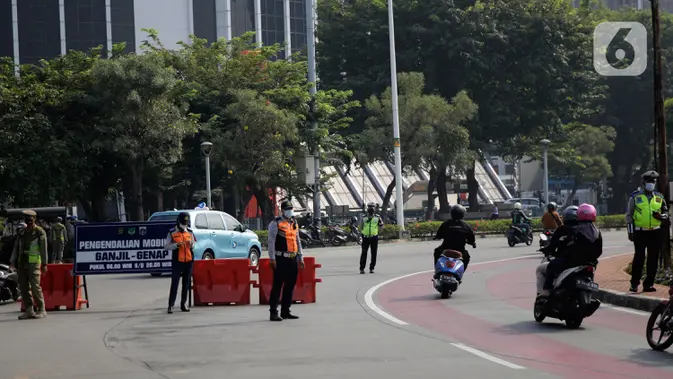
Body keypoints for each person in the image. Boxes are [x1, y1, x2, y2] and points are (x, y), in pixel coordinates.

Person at [537, 204, 602, 298]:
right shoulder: (596, 231)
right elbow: (599, 251)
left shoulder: (572, 230)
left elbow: (566, 248)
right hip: (590, 263)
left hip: (571, 262)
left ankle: (546, 291)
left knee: (547, 267)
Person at [626, 170, 669, 292]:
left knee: (653, 259)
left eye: (653, 181)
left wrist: (661, 216)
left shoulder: (659, 197)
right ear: (643, 183)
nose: (651, 183)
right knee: (639, 258)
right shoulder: (635, 197)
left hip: (655, 232)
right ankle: (634, 284)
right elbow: (629, 216)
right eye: (649, 181)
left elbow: (666, 212)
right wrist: (630, 231)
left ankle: (648, 284)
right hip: (640, 232)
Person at [267, 200, 304, 321]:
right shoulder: (276, 223)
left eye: (291, 209)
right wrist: (272, 258)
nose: (289, 211)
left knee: (290, 285)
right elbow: (271, 242)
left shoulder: (293, 222)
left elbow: (297, 240)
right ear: (282, 210)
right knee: (277, 285)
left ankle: (285, 310)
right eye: (287, 209)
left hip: (292, 258)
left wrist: (300, 257)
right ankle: (273, 312)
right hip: (280, 258)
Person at [10, 210, 49, 320]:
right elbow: (16, 248)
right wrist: (12, 261)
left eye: (30, 220)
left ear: (34, 220)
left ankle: (41, 309)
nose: (29, 222)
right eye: (27, 220)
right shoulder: (22, 232)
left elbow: (44, 249)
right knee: (23, 287)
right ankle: (29, 310)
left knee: (35, 286)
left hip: (34, 262)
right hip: (22, 262)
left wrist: (45, 264)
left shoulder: (39, 232)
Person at [164, 212, 196, 314]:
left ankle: (183, 304)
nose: (184, 226)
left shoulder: (190, 232)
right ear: (178, 222)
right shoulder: (172, 232)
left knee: (186, 283)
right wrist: (177, 245)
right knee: (175, 283)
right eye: (183, 223)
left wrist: (191, 245)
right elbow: (166, 246)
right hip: (178, 260)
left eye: (186, 223)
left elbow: (195, 244)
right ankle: (171, 305)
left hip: (188, 260)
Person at [433, 204, 476, 270]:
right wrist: (472, 243)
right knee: (466, 257)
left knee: (436, 252)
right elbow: (471, 239)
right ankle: (460, 272)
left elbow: (439, 235)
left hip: (445, 249)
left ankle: (437, 270)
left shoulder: (446, 224)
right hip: (460, 251)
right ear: (462, 214)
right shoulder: (466, 226)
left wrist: (436, 237)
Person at [360, 202, 384, 274]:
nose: (371, 208)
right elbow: (360, 227)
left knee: (374, 253)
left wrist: (377, 233)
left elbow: (381, 226)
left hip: (374, 237)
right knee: (364, 253)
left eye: (372, 207)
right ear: (367, 208)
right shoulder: (364, 217)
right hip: (365, 237)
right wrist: (362, 234)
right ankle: (362, 268)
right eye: (370, 207)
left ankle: (372, 268)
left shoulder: (377, 217)